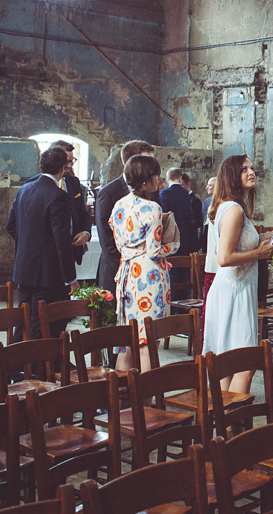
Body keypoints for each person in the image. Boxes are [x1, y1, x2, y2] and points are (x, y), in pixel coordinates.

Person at [202, 155, 273, 394]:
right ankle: (228, 422)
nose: (251, 171)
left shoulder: (232, 207)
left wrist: (261, 246)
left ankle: (223, 422)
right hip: (232, 291)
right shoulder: (233, 209)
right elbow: (224, 258)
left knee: (228, 362)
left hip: (237, 289)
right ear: (232, 175)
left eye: (252, 167)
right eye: (244, 169)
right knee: (245, 365)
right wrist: (258, 253)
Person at [110, 154, 181, 372]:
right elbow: (154, 251)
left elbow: (120, 246)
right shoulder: (152, 209)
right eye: (157, 175)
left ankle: (123, 401)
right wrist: (175, 244)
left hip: (127, 273)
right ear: (147, 179)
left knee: (127, 343)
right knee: (148, 341)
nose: (159, 180)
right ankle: (145, 401)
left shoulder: (119, 206)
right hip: (148, 276)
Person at [7, 146, 79, 340]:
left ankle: (17, 366)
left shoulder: (24, 189)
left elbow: (11, 226)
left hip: (24, 268)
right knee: (45, 323)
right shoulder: (58, 196)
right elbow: (61, 241)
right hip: (48, 274)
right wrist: (70, 278)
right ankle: (42, 367)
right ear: (63, 167)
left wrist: (30, 245)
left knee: (24, 320)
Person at [96, 141, 154, 290]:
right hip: (117, 269)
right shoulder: (108, 193)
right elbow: (106, 238)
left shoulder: (153, 191)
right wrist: (128, 266)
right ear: (131, 162)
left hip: (147, 270)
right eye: (146, 161)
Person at [24, 140, 91, 265]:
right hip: (43, 255)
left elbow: (82, 212)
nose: (71, 165)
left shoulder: (73, 182)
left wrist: (86, 233)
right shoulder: (31, 185)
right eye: (67, 162)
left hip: (70, 250)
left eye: (72, 161)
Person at [159, 167, 198, 256]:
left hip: (169, 237)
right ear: (180, 178)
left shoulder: (164, 194)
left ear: (167, 180)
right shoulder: (185, 193)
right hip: (184, 236)